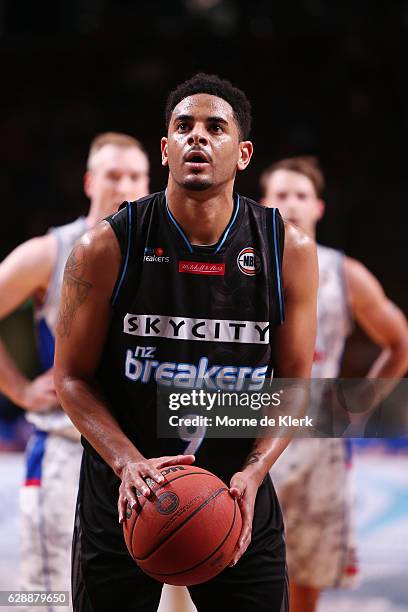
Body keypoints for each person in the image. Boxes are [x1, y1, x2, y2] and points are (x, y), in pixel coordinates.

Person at [54, 73, 318, 612]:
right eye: (184, 126)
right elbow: (72, 377)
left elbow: (294, 385)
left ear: (243, 154)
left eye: (215, 127)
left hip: (234, 490)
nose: (197, 136)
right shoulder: (103, 247)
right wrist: (127, 463)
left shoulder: (287, 248)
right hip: (126, 491)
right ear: (165, 149)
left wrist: (253, 472)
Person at [0, 132, 149, 608]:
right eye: (113, 175)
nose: (124, 184)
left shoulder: (167, 251)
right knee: (47, 600)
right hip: (67, 452)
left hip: (147, 458)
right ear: (90, 181)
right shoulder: (52, 250)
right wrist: (21, 390)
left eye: (135, 176)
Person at [260, 156, 408, 612]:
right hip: (252, 428)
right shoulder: (242, 266)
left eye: (301, 195)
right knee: (241, 573)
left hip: (320, 436)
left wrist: (362, 402)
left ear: (319, 207)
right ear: (264, 205)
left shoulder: (345, 274)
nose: (292, 204)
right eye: (281, 195)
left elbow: (399, 343)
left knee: (308, 579)